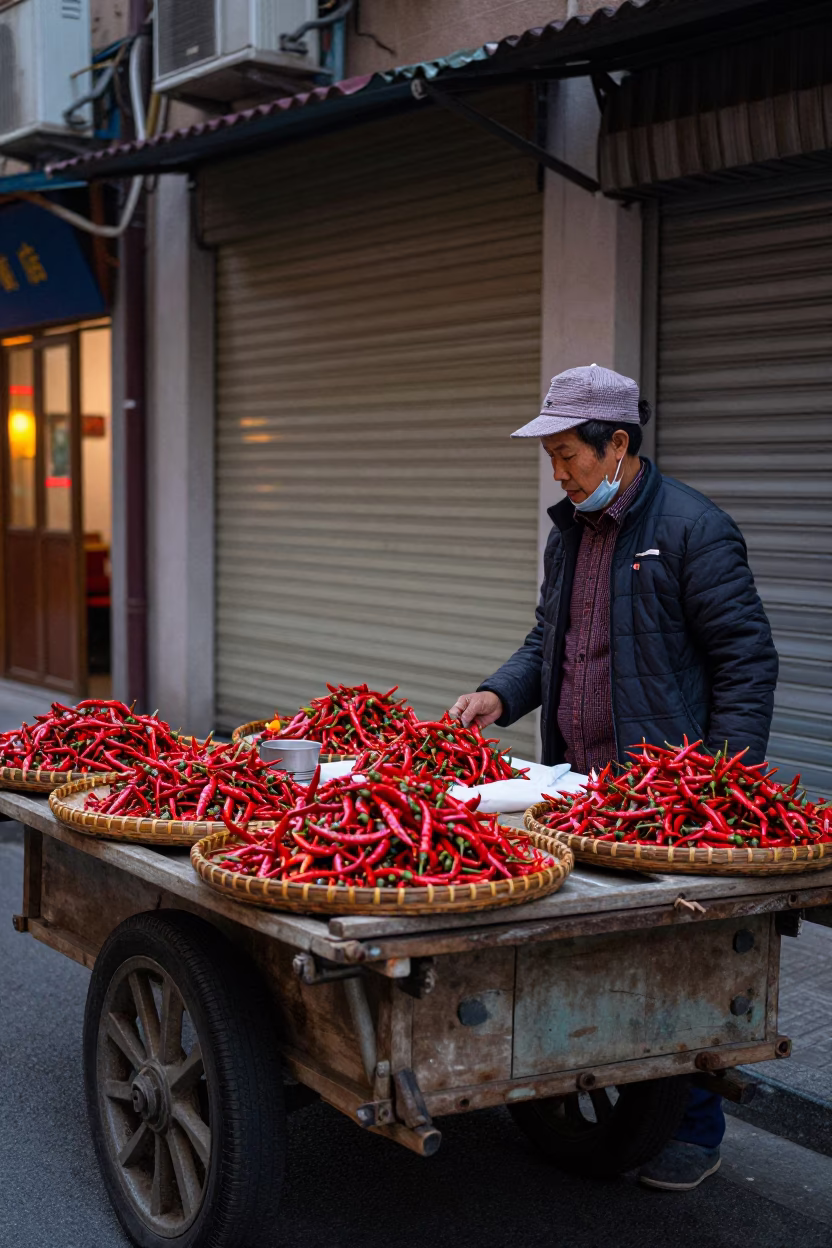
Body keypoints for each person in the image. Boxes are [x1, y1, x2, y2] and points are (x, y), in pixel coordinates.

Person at [450, 363, 778, 1191]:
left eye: (569, 455)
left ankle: (692, 1127)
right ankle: (602, 1087)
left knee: (676, 955)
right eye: (552, 457)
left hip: (667, 797)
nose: (558, 473)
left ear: (618, 444)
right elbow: (545, 646)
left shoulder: (695, 530)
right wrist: (498, 692)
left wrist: (717, 789)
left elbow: (746, 664)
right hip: (581, 789)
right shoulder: (572, 536)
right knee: (597, 947)